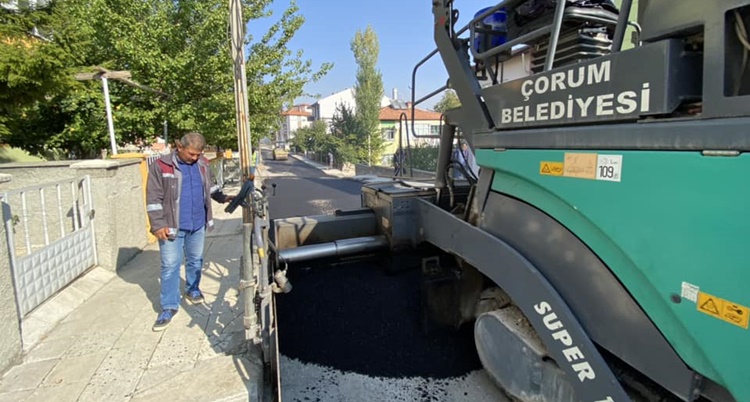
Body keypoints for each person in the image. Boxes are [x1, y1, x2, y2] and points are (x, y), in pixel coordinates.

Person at [146, 132, 234, 331]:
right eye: (192, 154)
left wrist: (223, 198)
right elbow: (153, 198)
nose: (195, 158)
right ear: (180, 147)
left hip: (197, 224)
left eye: (198, 154)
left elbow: (210, 188)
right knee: (170, 266)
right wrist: (158, 225)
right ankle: (169, 306)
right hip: (171, 226)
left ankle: (192, 289)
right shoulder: (161, 166)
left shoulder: (202, 164)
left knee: (196, 261)